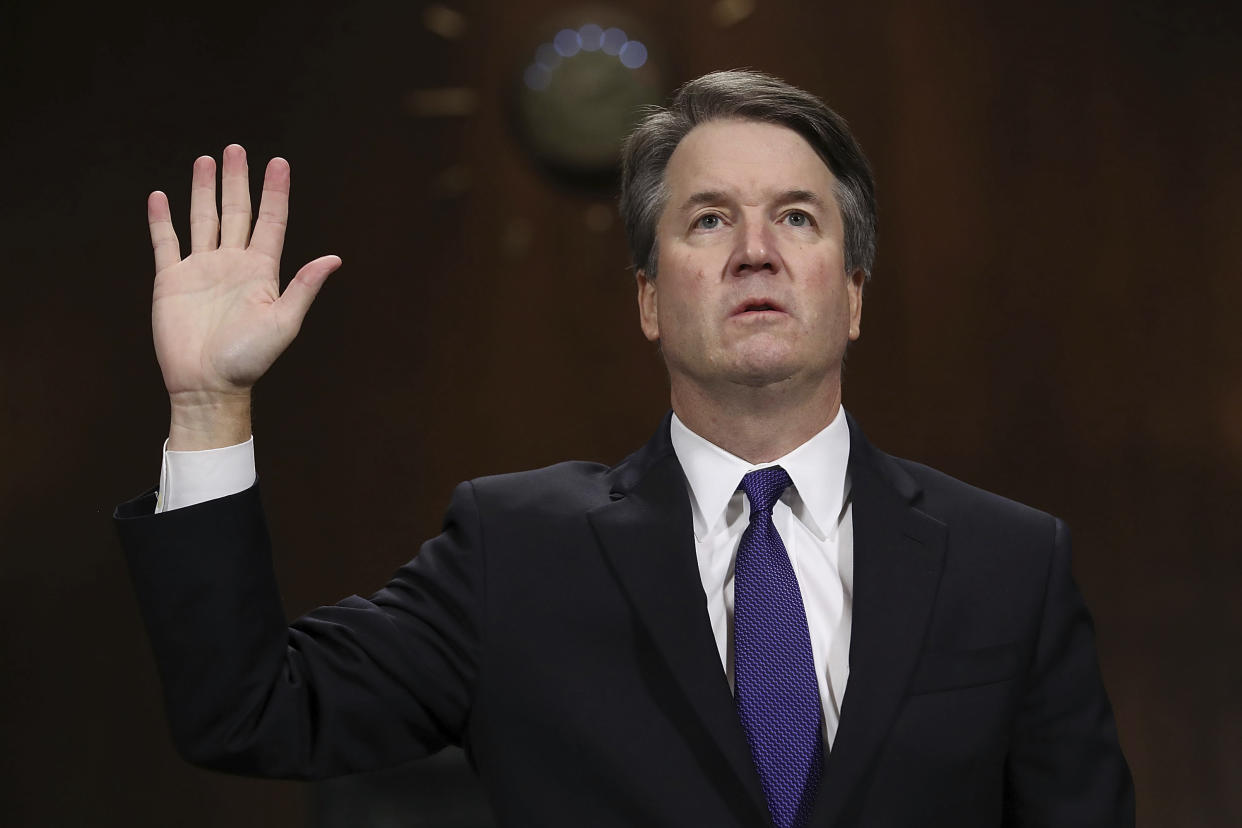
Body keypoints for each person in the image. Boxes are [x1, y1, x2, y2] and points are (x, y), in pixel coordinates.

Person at [116, 70, 1135, 827]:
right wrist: (209, 404)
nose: (755, 250)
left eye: (795, 216)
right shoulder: (513, 551)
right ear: (650, 297)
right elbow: (251, 712)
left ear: (853, 291)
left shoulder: (1010, 563)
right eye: (707, 219)